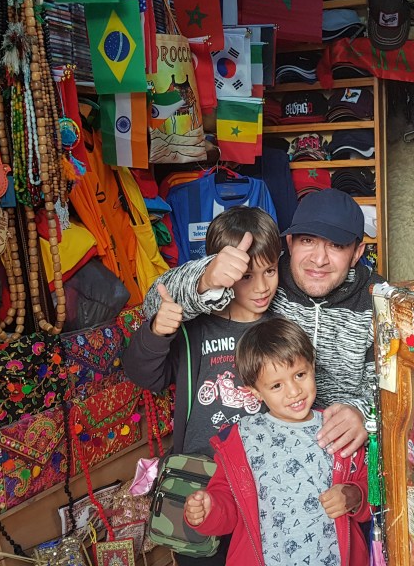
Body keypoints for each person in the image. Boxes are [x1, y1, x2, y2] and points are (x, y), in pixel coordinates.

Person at [144, 189, 383, 458]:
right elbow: (153, 303)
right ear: (290, 243)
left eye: (336, 246)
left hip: (334, 454)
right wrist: (205, 278)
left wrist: (363, 414)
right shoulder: (261, 277)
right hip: (262, 451)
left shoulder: (380, 302)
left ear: (357, 252)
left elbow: (396, 388)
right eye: (307, 241)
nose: (319, 259)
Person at [125, 206, 281, 566]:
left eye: (270, 271)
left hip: (264, 485)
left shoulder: (280, 327)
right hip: (199, 484)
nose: (261, 287)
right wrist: (156, 333)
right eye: (246, 276)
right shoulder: (194, 326)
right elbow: (143, 375)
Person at [183, 317, 371, 566]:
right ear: (255, 392)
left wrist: (354, 495)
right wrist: (209, 509)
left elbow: (373, 490)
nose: (294, 392)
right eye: (276, 385)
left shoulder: (337, 428)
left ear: (313, 366)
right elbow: (227, 506)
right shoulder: (241, 440)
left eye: (300, 374)